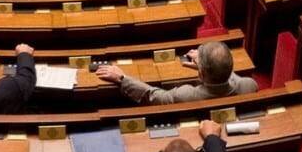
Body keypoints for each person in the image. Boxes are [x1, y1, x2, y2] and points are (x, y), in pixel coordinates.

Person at [96, 40, 257, 104]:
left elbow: (152, 95)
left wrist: (122, 78)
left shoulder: (186, 95)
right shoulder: (249, 86)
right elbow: (229, 75)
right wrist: (208, 67)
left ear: (201, 74)